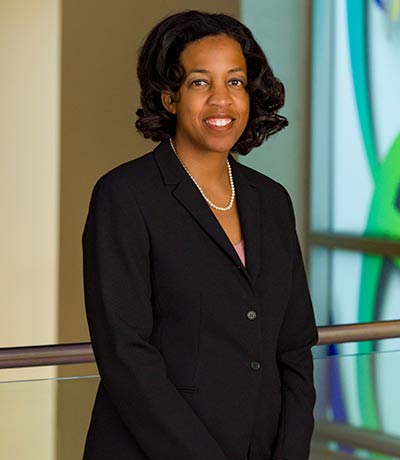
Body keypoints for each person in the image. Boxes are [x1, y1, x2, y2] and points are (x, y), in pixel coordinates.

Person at [82, 10, 318, 460]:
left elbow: (294, 346)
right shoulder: (125, 195)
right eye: (199, 82)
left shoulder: (271, 200)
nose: (221, 101)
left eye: (235, 82)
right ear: (169, 98)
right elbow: (126, 353)